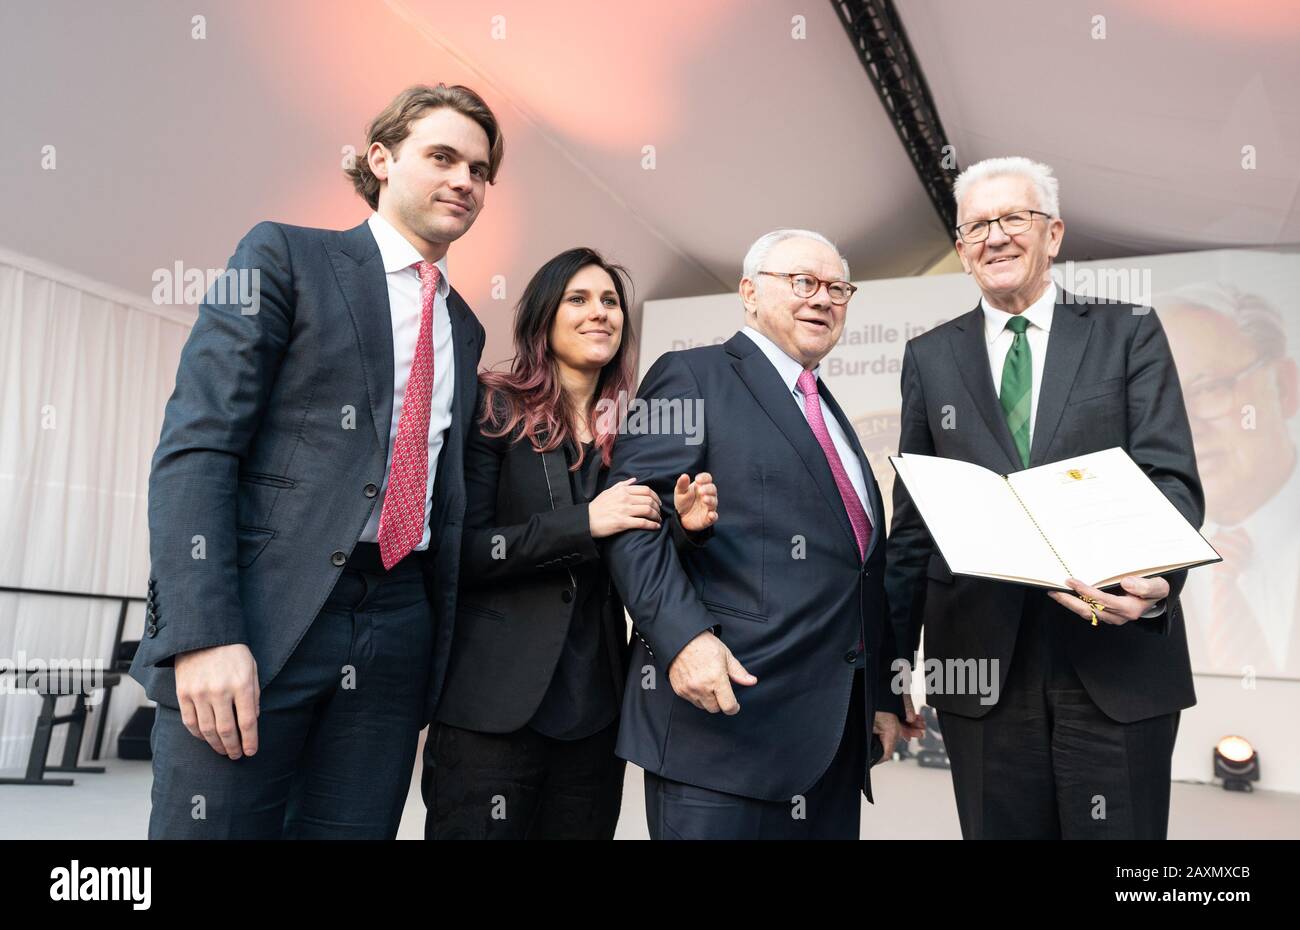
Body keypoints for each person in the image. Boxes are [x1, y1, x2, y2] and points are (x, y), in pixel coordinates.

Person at [130, 83, 501, 838]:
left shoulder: (464, 327)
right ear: (381, 159)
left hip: (399, 623)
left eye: (481, 168)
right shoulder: (282, 254)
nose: (466, 179)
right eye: (442, 156)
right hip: (264, 615)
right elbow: (198, 446)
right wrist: (201, 633)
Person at [886, 156, 1205, 839]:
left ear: (1053, 234)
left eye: (1012, 219)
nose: (994, 236)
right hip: (977, 666)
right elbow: (912, 529)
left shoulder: (1129, 332)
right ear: (961, 247)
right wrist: (892, 666)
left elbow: (1170, 478)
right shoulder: (930, 358)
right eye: (977, 225)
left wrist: (1157, 580)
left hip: (1115, 655)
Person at [602, 229, 905, 840]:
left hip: (831, 744)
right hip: (722, 730)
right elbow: (634, 521)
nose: (822, 299)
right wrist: (684, 640)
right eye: (802, 283)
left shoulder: (829, 411)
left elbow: (859, 567)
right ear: (748, 292)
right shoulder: (692, 375)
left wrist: (884, 695)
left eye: (837, 288)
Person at [425, 248, 718, 839]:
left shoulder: (636, 431)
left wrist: (683, 532)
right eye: (578, 299)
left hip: (595, 713)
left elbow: (634, 563)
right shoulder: (492, 407)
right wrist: (586, 522)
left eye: (610, 302)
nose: (600, 313)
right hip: (492, 713)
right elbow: (464, 553)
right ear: (543, 317)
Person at [1162, 286, 1300, 678]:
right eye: (1161, 402)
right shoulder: (1129, 556)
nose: (1185, 426)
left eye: (1207, 390)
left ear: (1284, 386)